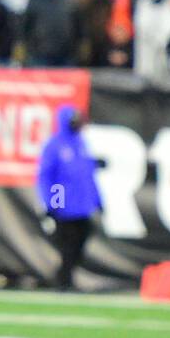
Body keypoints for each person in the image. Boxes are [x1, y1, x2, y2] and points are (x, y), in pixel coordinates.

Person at [35, 105, 102, 290]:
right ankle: (63, 280)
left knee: (81, 242)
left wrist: (98, 200)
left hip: (82, 205)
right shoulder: (54, 145)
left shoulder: (81, 143)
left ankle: (65, 276)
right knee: (67, 245)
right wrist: (54, 204)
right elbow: (48, 176)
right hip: (65, 205)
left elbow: (89, 175)